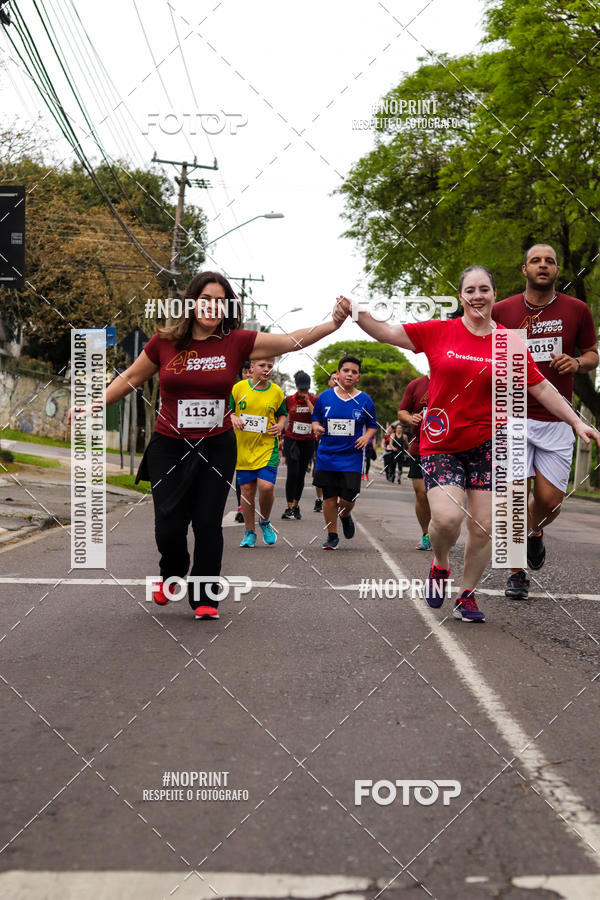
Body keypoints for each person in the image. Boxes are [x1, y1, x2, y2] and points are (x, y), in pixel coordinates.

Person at [70, 271, 349, 620]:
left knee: (206, 523)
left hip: (215, 446)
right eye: (206, 299)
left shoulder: (237, 342)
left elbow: (292, 340)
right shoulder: (164, 343)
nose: (212, 306)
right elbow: (130, 377)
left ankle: (205, 596)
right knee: (168, 524)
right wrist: (93, 405)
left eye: (220, 301)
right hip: (169, 446)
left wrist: (333, 324)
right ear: (191, 302)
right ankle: (172, 571)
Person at [335, 268, 600, 622]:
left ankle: (467, 595)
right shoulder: (438, 331)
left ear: (493, 294)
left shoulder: (509, 342)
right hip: (442, 443)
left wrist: (576, 420)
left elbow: (541, 388)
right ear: (461, 296)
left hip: (489, 445)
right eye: (471, 290)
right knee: (446, 519)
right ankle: (440, 564)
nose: (478, 296)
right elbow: (387, 332)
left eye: (485, 289)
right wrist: (356, 312)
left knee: (484, 526)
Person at [492, 244, 598, 599]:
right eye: (536, 261)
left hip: (557, 419)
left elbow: (592, 354)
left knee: (550, 500)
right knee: (515, 496)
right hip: (512, 417)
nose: (543, 265)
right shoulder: (501, 310)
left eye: (549, 261)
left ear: (557, 269)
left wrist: (577, 363)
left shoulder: (577, 310)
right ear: (524, 269)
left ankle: (534, 531)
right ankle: (516, 570)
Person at [311, 355, 377, 549]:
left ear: (358, 377)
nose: (349, 374)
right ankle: (332, 536)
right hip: (327, 457)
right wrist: (316, 427)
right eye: (346, 371)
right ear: (338, 374)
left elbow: (372, 425)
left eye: (354, 372)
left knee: (348, 499)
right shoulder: (325, 397)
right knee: (329, 498)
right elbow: (316, 419)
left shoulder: (365, 400)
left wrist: (366, 437)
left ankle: (346, 515)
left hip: (351, 458)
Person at [229, 358, 286, 547]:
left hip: (267, 446)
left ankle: (265, 521)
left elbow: (282, 414)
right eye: (262, 366)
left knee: (266, 487)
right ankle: (249, 532)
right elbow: (228, 411)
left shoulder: (276, 391)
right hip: (243, 448)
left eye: (270, 366)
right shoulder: (239, 388)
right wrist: (234, 418)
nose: (267, 370)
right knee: (246, 491)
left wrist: (280, 426)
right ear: (252, 368)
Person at [398, 374, 432, 550]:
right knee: (422, 493)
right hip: (420, 447)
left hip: (448, 449)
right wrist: (410, 418)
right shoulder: (416, 384)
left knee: (443, 496)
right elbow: (402, 411)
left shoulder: (456, 381)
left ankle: (442, 530)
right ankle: (427, 533)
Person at [281, 371, 317, 520]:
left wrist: (308, 402)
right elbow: (281, 416)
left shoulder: (314, 400)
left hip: (308, 441)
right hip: (292, 440)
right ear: (296, 387)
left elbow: (316, 416)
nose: (303, 392)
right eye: (301, 389)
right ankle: (289, 506)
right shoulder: (289, 400)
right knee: (293, 473)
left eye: (305, 389)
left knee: (301, 474)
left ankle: (296, 505)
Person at [313, 371, 339, 513]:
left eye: (337, 379)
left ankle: (338, 499)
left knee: (337, 473)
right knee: (320, 472)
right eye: (333, 379)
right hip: (323, 442)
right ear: (329, 382)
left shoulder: (348, 398)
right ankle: (319, 498)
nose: (335, 381)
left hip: (342, 444)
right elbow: (314, 416)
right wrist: (317, 426)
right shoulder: (322, 398)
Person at [234, 360, 252, 523]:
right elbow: (228, 409)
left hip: (257, 441)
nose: (248, 375)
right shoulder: (236, 389)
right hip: (238, 438)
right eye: (245, 372)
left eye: (250, 372)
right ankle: (241, 508)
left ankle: (248, 505)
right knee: (240, 474)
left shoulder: (264, 390)